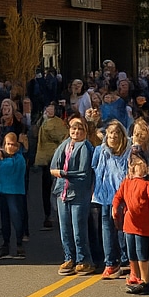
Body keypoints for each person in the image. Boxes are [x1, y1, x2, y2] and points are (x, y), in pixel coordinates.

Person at [49, 115, 96, 275]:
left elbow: (83, 173)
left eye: (80, 129)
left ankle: (84, 259)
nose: (76, 131)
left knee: (78, 228)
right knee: (65, 228)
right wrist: (60, 173)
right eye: (73, 128)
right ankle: (69, 258)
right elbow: (52, 166)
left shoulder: (85, 146)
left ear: (85, 131)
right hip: (62, 193)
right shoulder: (64, 145)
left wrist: (62, 173)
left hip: (79, 194)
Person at [113, 154, 149, 293]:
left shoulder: (148, 185)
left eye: (141, 166)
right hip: (129, 222)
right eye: (135, 166)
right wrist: (115, 207)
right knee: (131, 252)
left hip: (143, 224)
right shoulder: (126, 183)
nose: (138, 169)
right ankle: (135, 277)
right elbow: (118, 197)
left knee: (142, 253)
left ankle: (145, 281)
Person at [93, 120, 132, 279]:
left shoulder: (130, 152)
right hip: (104, 196)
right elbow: (94, 169)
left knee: (123, 229)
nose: (113, 137)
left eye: (116, 134)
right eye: (110, 134)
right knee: (107, 229)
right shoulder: (100, 151)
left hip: (123, 196)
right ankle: (111, 263)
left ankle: (127, 259)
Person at [0, 131, 28, 260]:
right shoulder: (1, 158)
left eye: (13, 144)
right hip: (3, 192)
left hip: (15, 193)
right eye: (8, 144)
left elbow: (15, 170)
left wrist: (3, 158)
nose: (10, 147)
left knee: (16, 218)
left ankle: (19, 244)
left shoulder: (19, 159)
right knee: (5, 220)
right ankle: (5, 244)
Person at [33, 102, 68, 228]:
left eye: (52, 108)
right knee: (46, 188)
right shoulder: (43, 121)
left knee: (54, 187)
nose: (49, 109)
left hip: (54, 158)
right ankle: (48, 214)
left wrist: (46, 124)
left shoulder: (56, 122)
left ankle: (56, 214)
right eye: (47, 107)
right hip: (45, 158)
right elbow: (35, 133)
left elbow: (61, 137)